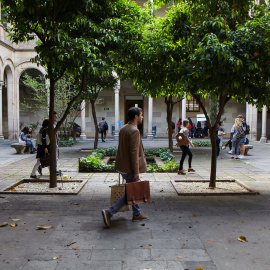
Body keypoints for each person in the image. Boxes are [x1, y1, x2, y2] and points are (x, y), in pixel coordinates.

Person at [101, 107, 148, 228]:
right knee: (132, 193)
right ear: (136, 116)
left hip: (122, 166)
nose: (142, 117)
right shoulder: (134, 130)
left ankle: (137, 214)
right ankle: (109, 212)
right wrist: (136, 172)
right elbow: (134, 152)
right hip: (129, 168)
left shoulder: (124, 128)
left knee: (133, 189)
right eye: (141, 115)